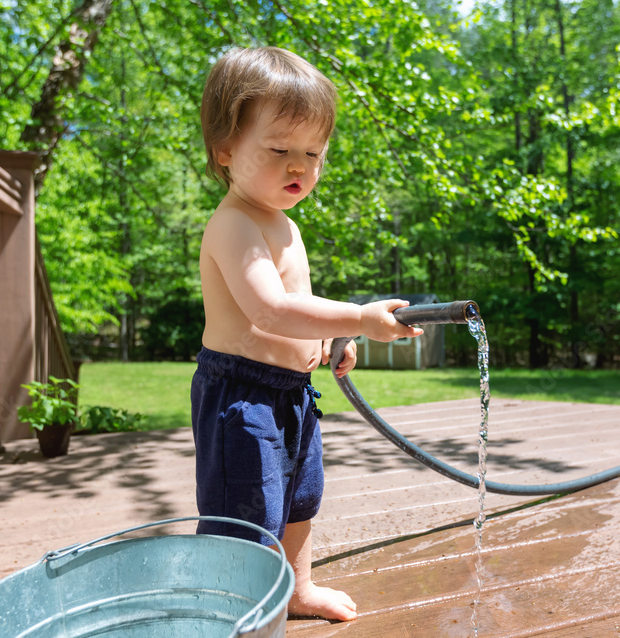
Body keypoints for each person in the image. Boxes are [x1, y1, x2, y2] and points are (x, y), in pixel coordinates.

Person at [193, 46, 422, 622]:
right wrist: (360, 318)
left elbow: (297, 308)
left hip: (293, 392)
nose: (299, 166)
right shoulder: (233, 224)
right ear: (226, 151)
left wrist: (332, 342)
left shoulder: (285, 223)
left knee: (298, 499)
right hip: (241, 397)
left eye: (313, 153)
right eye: (279, 150)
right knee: (245, 513)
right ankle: (233, 610)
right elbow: (269, 311)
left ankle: (296, 590)